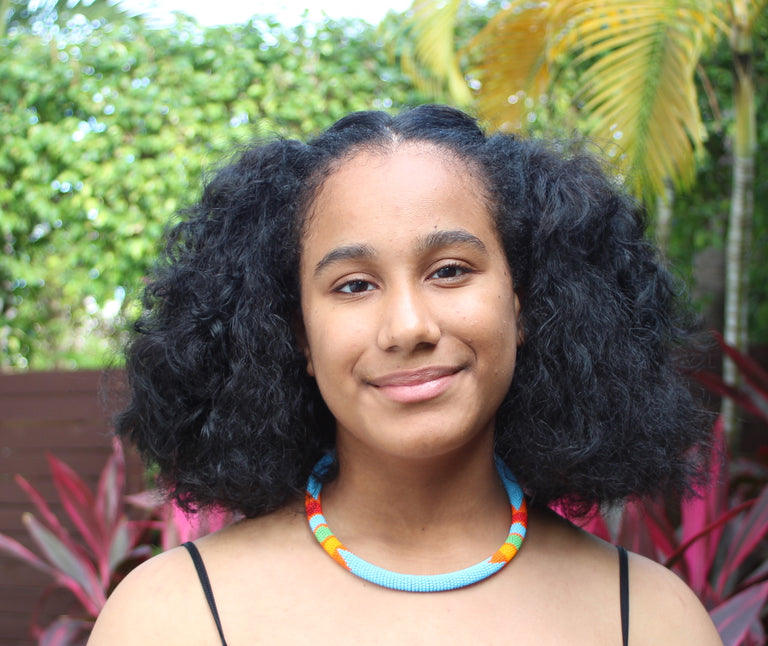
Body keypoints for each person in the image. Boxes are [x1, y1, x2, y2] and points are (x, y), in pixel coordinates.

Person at [89, 105, 722, 645]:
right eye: (354, 285)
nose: (408, 326)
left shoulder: (650, 619)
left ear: (527, 303)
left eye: (449, 270)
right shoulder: (172, 616)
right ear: (295, 334)